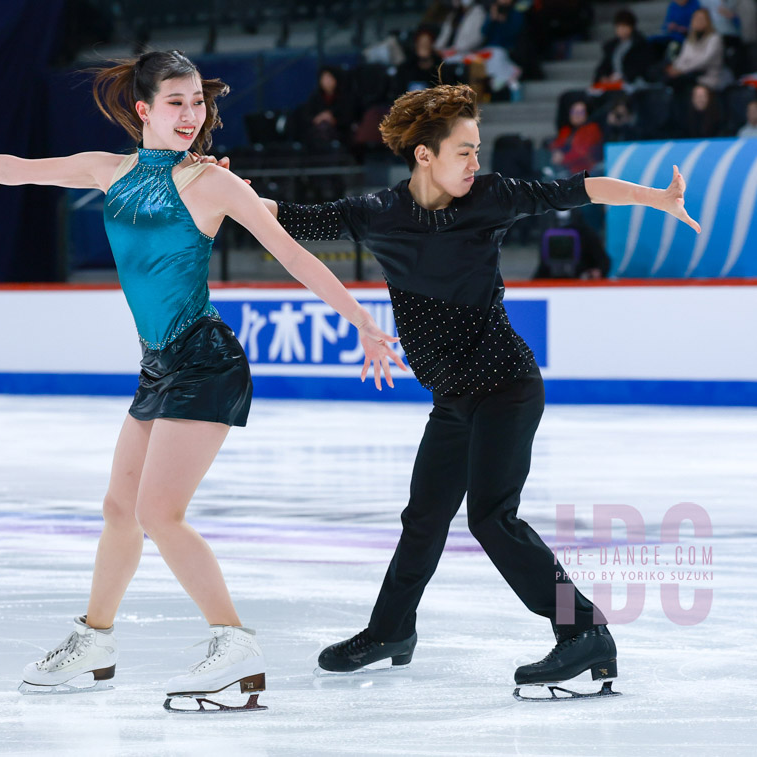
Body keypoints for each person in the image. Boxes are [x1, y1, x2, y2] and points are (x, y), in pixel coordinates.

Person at [0, 49, 404, 712]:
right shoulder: (111, 171)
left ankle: (234, 645)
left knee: (160, 513)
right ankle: (95, 639)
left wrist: (361, 317)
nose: (192, 115)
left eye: (198, 103)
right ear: (144, 109)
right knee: (119, 509)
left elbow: (292, 253)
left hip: (205, 362)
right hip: (158, 366)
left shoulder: (212, 183)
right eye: (176, 103)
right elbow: (20, 171)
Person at [248, 83, 700, 699]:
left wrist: (654, 198)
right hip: (454, 400)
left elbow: (578, 188)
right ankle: (390, 631)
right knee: (425, 517)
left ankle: (583, 630)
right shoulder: (380, 211)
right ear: (424, 155)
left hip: (507, 388)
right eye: (463, 151)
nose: (475, 162)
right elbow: (293, 218)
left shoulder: (491, 197)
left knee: (491, 516)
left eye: (477, 149)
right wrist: (227, 192)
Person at [665, 8, 729, 90]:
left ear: (708, 21)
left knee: (680, 80)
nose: (698, 21)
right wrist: (675, 68)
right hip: (690, 74)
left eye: (702, 19)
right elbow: (682, 58)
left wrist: (682, 70)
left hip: (708, 76)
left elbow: (704, 60)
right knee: (668, 77)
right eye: (696, 18)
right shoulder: (690, 39)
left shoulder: (715, 38)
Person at [593, 10, 653, 89]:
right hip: (613, 83)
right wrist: (603, 77)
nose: (621, 30)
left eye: (624, 27)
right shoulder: (612, 46)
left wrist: (623, 77)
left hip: (632, 83)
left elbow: (640, 67)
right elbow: (603, 66)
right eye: (619, 27)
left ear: (631, 27)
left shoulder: (640, 45)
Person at [549, 99, 604, 175]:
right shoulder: (566, 130)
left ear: (587, 114)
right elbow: (557, 144)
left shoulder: (591, 129)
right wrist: (556, 152)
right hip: (569, 169)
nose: (576, 115)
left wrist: (563, 158)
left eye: (580, 112)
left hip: (587, 170)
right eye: (574, 112)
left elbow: (582, 152)